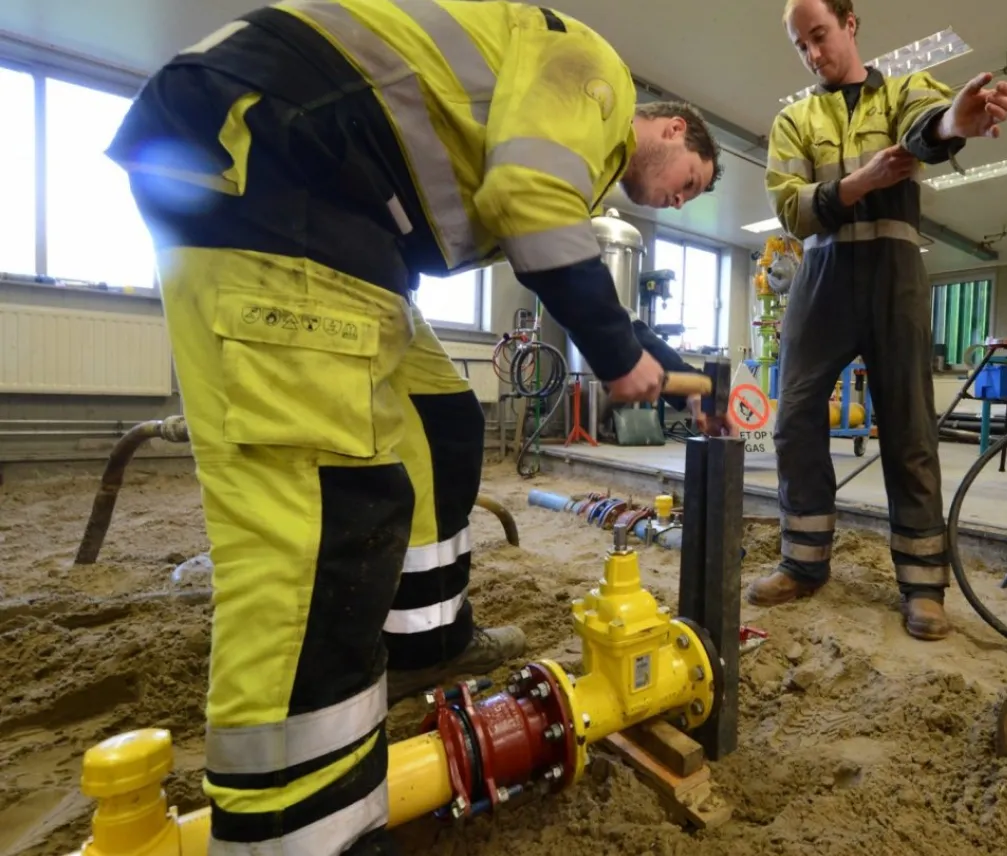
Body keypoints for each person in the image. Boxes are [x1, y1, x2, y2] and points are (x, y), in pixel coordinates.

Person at [104, 2, 721, 853]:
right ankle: (301, 828)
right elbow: (527, 200)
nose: (678, 199)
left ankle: (426, 641)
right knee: (322, 526)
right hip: (281, 167)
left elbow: (543, 233)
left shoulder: (567, 138)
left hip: (343, 210)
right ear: (674, 128)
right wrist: (618, 355)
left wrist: (646, 350)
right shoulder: (595, 73)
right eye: (689, 180)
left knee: (439, 419)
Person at [750, 0, 1007, 640]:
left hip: (894, 269)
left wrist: (958, 118)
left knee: (909, 423)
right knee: (795, 416)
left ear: (850, 23)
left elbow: (930, 126)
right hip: (823, 274)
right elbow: (791, 210)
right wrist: (857, 184)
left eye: (819, 35)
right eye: (800, 46)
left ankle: (923, 586)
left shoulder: (901, 91)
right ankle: (803, 562)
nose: (813, 53)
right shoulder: (793, 119)